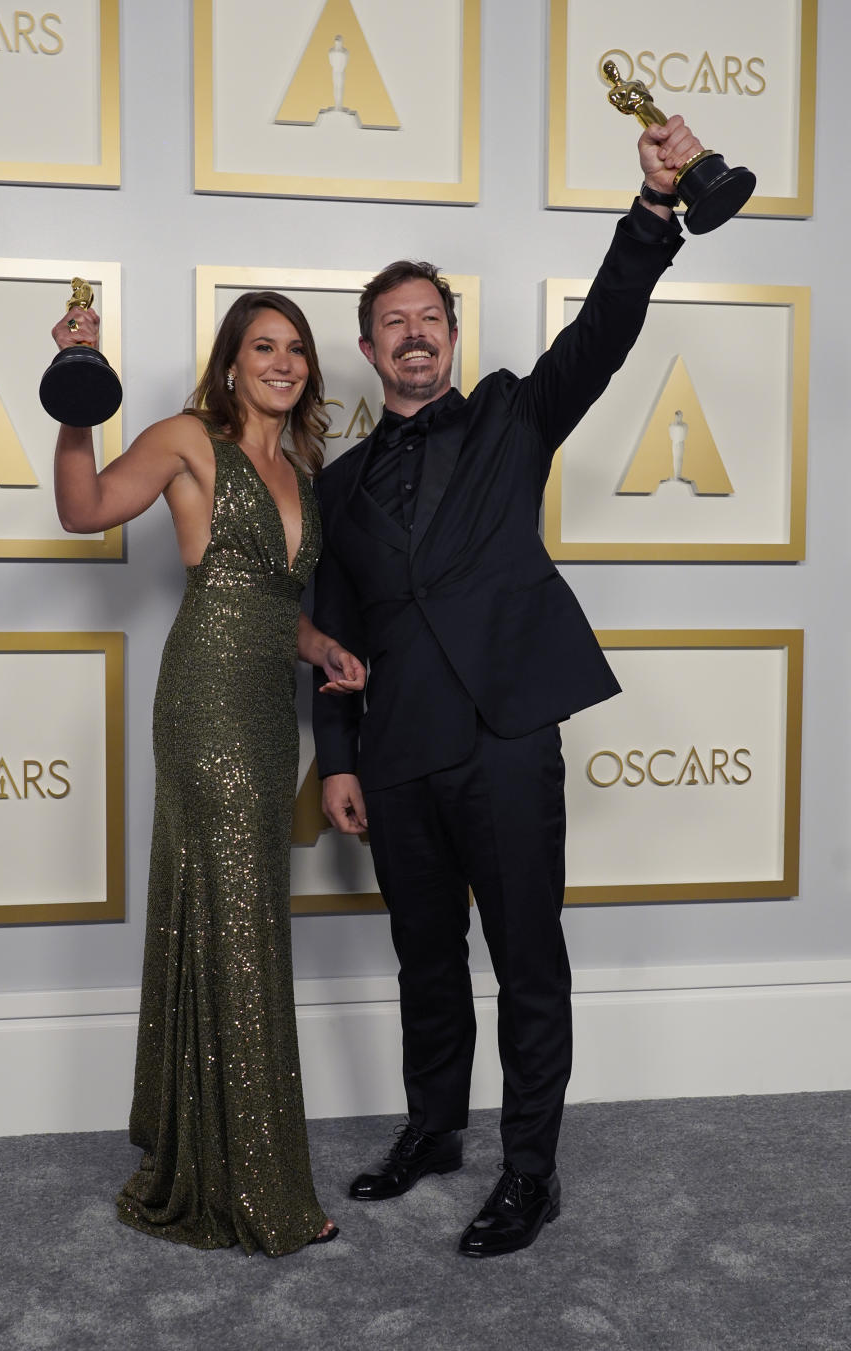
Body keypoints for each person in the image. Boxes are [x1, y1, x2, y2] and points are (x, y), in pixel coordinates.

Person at [311, 117, 703, 1257]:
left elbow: (606, 331)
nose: (415, 337)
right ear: (372, 349)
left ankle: (530, 1171)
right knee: (423, 962)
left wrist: (651, 211)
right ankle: (435, 1130)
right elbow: (331, 631)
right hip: (397, 753)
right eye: (394, 325)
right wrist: (337, 757)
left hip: (506, 739)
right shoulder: (338, 488)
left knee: (529, 960)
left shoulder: (514, 418)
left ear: (450, 333)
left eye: (430, 319)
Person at [51, 290, 365, 1256]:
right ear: (231, 362)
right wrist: (74, 405)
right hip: (204, 706)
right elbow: (83, 509)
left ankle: (217, 1145)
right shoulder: (190, 439)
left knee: (245, 918)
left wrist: (320, 646)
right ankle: (259, 1186)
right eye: (263, 346)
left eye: (297, 350)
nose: (283, 362)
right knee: (243, 929)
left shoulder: (300, 470)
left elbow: (274, 601)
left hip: (271, 710)